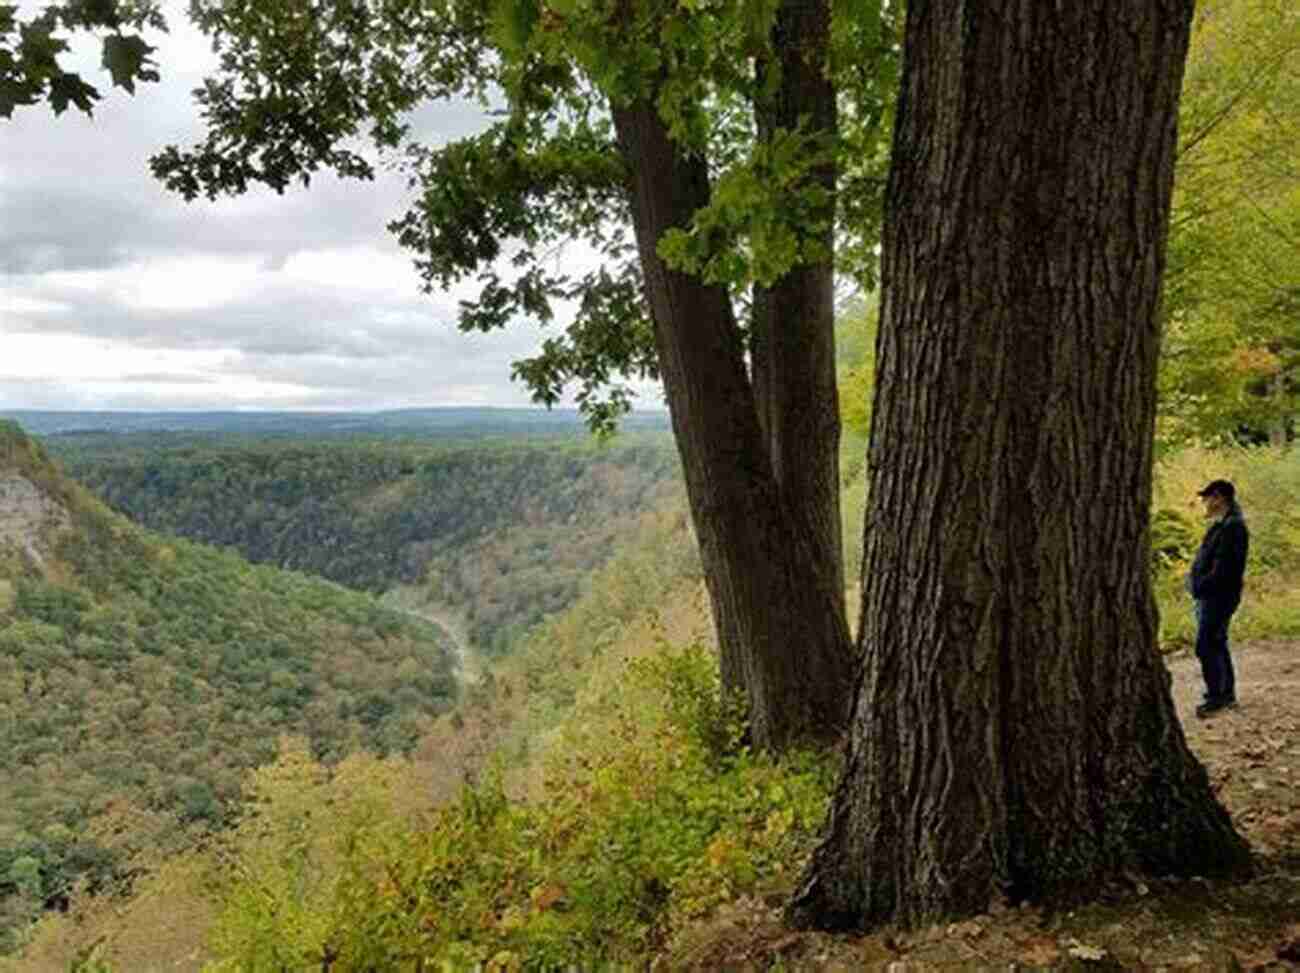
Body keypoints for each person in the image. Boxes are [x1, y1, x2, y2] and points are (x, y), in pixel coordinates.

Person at [1186, 479, 1249, 718]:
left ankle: (1217, 697)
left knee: (1205, 645)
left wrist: (1200, 586)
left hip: (1219, 597)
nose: (1205, 502)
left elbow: (1225, 568)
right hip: (1211, 595)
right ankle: (1225, 693)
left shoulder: (1233, 527)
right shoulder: (1222, 525)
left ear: (1220, 497)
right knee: (1217, 642)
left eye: (1207, 497)